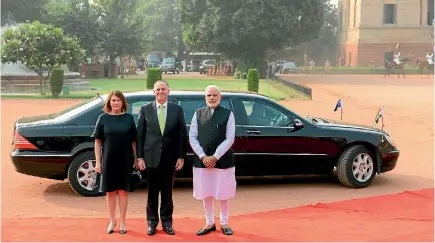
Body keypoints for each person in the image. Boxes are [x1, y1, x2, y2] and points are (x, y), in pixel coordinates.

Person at [136, 80, 187, 236]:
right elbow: (140, 135)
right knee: (151, 193)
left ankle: (167, 223)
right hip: (150, 158)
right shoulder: (145, 110)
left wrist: (181, 156)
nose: (160, 92)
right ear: (154, 92)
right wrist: (139, 157)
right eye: (158, 89)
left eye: (163, 89)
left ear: (168, 91)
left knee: (167, 194)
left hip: (170, 158)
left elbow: (182, 134)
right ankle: (152, 223)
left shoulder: (177, 109)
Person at [188, 85, 236, 236]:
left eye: (215, 95)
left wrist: (215, 156)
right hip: (202, 161)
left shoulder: (228, 114)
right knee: (206, 192)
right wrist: (203, 156)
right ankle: (209, 223)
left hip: (223, 161)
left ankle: (224, 222)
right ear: (205, 98)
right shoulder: (198, 114)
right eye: (209, 95)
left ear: (220, 97)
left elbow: (230, 138)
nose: (212, 98)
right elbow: (192, 137)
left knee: (223, 193)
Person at [91, 90, 137, 235]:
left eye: (118, 100)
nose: (116, 103)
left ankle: (123, 221)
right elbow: (98, 142)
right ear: (109, 102)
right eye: (113, 100)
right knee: (110, 192)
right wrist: (98, 162)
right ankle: (112, 220)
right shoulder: (103, 118)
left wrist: (136, 158)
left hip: (125, 159)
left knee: (123, 191)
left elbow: (134, 141)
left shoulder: (129, 118)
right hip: (108, 160)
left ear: (123, 102)